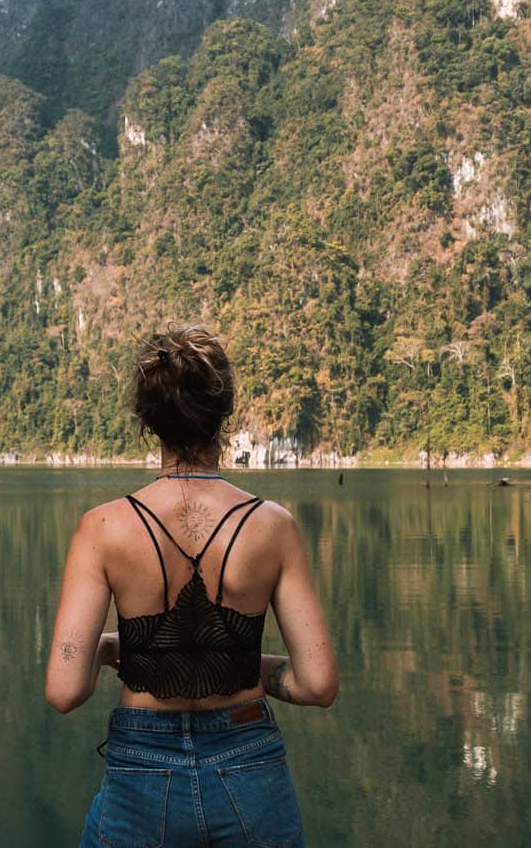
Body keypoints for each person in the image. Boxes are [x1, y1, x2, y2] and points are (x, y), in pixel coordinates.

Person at [46, 325, 338, 848]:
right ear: (223, 412)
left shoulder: (104, 528)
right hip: (249, 767)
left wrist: (129, 650)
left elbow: (66, 690)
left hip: (140, 774)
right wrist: (238, 661)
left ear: (147, 419)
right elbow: (317, 685)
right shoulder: (272, 526)